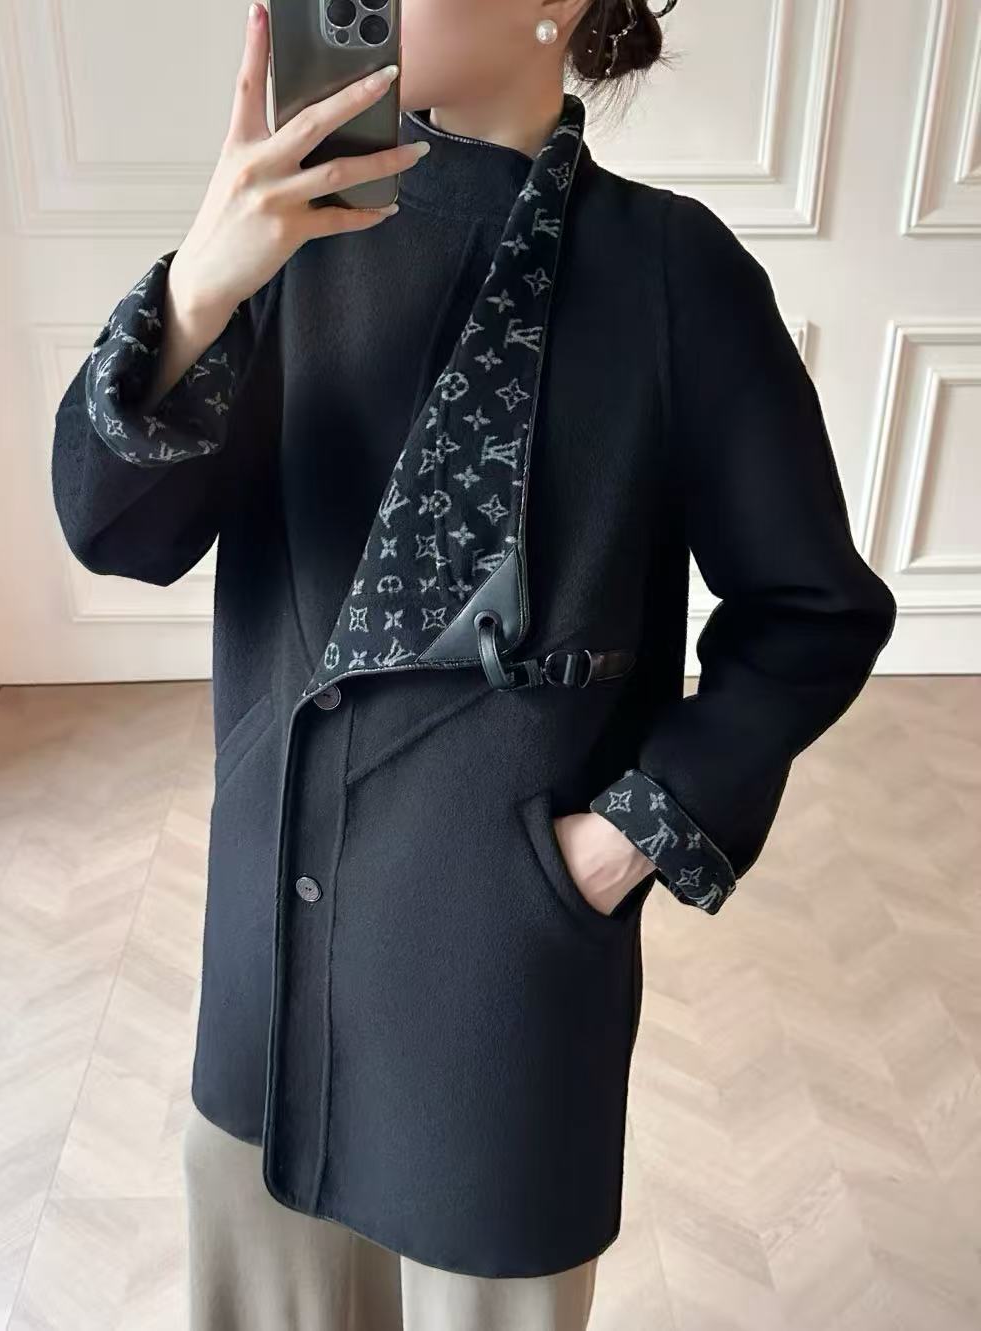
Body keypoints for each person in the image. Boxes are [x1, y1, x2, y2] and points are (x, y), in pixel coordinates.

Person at [50, 1, 898, 1327]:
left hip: (494, 995)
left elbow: (812, 610)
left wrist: (622, 841)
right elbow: (116, 532)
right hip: (271, 956)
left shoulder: (669, 273)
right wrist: (198, 291)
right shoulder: (288, 234)